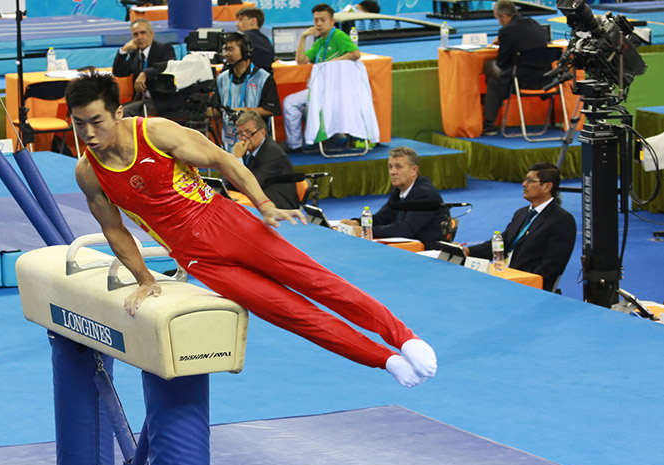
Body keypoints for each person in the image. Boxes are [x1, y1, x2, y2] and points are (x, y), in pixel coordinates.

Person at [65, 73, 437, 388]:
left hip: (226, 224)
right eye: (78, 123)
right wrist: (145, 278)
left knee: (318, 284)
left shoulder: (156, 133)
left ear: (117, 112)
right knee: (289, 313)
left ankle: (403, 337)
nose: (88, 133)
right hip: (195, 257)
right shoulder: (88, 173)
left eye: (96, 121)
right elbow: (114, 230)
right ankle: (383, 359)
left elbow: (224, 160)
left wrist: (263, 204)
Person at [463, 163, 575, 291]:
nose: (524, 184)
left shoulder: (561, 220)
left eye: (530, 180)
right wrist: (467, 251)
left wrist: (521, 281)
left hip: (527, 287)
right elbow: (501, 244)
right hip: (506, 278)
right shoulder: (521, 213)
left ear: (547, 187)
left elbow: (551, 266)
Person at [282, 3, 361, 151]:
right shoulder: (320, 42)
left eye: (322, 20)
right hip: (321, 90)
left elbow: (356, 54)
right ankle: (332, 137)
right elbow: (301, 61)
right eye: (316, 20)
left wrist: (329, 64)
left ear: (332, 21)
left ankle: (295, 145)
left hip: (332, 91)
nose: (318, 23)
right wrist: (304, 36)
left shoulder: (338, 36)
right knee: (303, 106)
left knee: (289, 103)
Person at [341, 147, 449, 250]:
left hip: (426, 252)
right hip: (407, 246)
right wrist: (357, 222)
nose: (392, 172)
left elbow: (405, 230)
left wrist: (366, 231)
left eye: (398, 167)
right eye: (390, 167)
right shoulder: (399, 189)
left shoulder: (425, 195)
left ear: (414, 170)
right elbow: (382, 218)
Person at [482, 0, 549, 135]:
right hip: (546, 79)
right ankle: (495, 103)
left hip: (522, 80)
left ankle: (489, 123)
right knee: (498, 79)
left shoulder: (506, 31)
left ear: (504, 17)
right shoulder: (534, 24)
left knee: (491, 73)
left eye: (498, 19)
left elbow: (502, 62)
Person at [213, 32, 281, 151]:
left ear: (245, 51)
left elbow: (272, 109)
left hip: (255, 145)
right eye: (225, 50)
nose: (226, 54)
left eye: (230, 49)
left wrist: (245, 111)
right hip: (229, 144)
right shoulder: (222, 78)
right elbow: (217, 109)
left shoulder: (263, 78)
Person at [231, 111, 299, 210]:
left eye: (249, 132)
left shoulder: (273, 152)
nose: (244, 138)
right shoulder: (246, 149)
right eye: (240, 133)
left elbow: (251, 184)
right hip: (259, 201)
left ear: (262, 132)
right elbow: (228, 179)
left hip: (279, 206)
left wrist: (236, 159)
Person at [111, 19, 178, 118]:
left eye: (143, 33)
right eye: (136, 34)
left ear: (152, 34)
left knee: (124, 114)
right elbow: (119, 72)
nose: (139, 37)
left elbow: (167, 66)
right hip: (140, 100)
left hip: (159, 100)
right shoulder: (135, 53)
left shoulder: (164, 49)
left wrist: (145, 74)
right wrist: (123, 50)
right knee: (113, 112)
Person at [235, 6, 275, 73]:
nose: (236, 24)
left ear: (253, 21)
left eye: (241, 19)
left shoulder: (241, 38)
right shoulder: (266, 40)